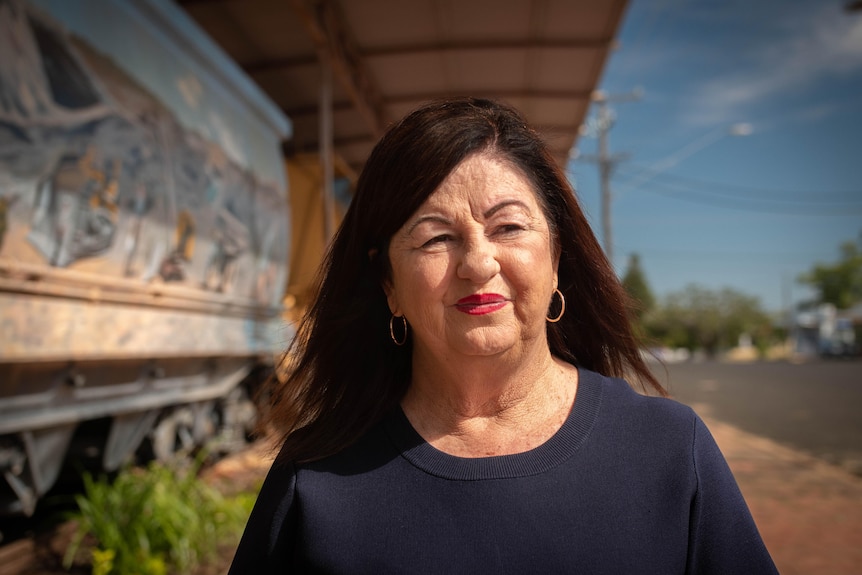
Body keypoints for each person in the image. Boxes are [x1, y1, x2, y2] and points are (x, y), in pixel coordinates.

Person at [229, 98, 777, 574]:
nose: (477, 263)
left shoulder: (669, 450)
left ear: (557, 257)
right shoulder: (316, 475)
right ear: (388, 284)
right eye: (435, 237)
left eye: (508, 227)